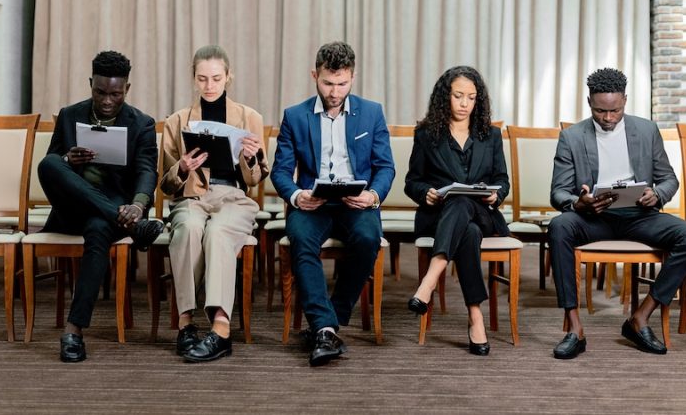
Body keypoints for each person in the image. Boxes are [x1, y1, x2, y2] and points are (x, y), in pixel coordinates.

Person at [548, 67, 686, 359]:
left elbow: (669, 179)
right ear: (589, 102)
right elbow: (558, 192)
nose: (608, 118)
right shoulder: (571, 137)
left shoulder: (646, 130)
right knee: (559, 227)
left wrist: (656, 194)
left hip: (640, 216)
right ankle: (574, 328)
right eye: (600, 111)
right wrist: (578, 203)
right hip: (593, 219)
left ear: (625, 101)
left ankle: (641, 317)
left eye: (616, 111)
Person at [271, 41, 395, 366]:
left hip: (357, 202)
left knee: (369, 240)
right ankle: (325, 327)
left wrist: (373, 195)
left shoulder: (372, 112)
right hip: (313, 202)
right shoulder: (295, 116)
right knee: (300, 240)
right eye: (328, 83)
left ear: (353, 77)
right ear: (315, 75)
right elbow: (281, 171)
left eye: (342, 83)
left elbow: (386, 167)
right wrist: (297, 195)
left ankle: (329, 321)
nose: (335, 92)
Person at [38, 50, 164, 362]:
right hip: (72, 210)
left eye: (115, 94)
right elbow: (54, 168)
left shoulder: (142, 124)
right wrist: (69, 160)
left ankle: (73, 331)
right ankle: (136, 229)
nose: (107, 101)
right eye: (100, 92)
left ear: (127, 90)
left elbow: (148, 170)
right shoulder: (70, 115)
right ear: (90, 83)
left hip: (116, 213)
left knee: (97, 230)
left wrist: (137, 206)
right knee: (50, 163)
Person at [160, 45, 269, 362]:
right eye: (203, 78)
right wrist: (182, 168)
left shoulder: (249, 117)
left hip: (233, 196)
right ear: (194, 78)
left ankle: (221, 329)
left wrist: (249, 158)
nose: (209, 86)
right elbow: (166, 185)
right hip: (192, 197)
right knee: (190, 228)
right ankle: (186, 324)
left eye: (216, 78)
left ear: (228, 77)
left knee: (219, 232)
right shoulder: (178, 121)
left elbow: (254, 179)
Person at [404, 66, 510, 356]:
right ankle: (476, 316)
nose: (464, 104)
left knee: (464, 201)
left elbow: (502, 180)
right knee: (467, 227)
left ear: (479, 100)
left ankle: (429, 280)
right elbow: (412, 181)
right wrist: (423, 193)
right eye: (458, 96)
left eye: (471, 97)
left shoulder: (491, 135)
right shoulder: (426, 135)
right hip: (440, 216)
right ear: (445, 97)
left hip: (484, 213)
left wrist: (495, 194)